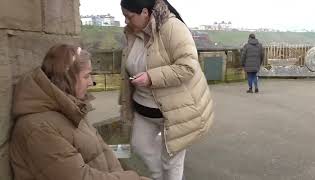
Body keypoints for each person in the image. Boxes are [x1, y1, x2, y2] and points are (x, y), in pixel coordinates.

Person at [10, 44, 150, 180]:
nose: (91, 82)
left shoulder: (70, 109)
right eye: (86, 76)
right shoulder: (37, 129)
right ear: (67, 78)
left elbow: (103, 150)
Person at [119, 0, 214, 179]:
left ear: (145, 12)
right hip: (143, 110)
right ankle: (158, 176)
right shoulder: (132, 32)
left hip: (175, 113)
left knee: (171, 161)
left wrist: (150, 77)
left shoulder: (173, 28)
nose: (126, 21)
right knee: (139, 145)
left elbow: (187, 67)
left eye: (129, 16)